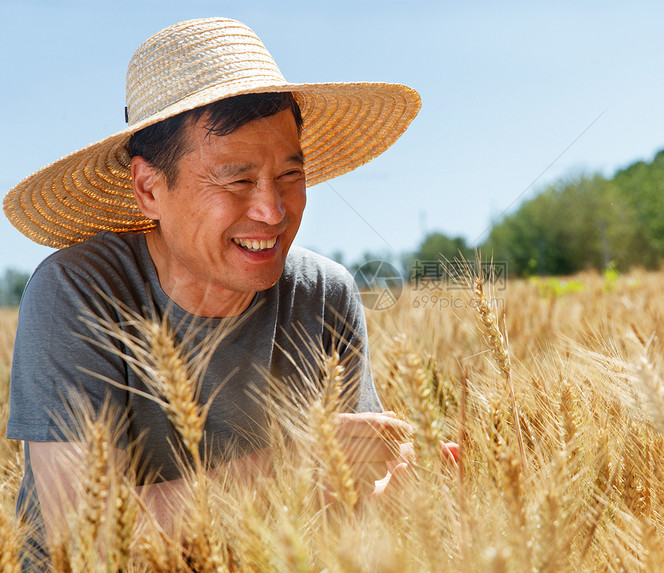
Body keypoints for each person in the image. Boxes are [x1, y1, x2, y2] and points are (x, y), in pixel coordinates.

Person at [3, 16, 455, 567]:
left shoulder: (325, 296)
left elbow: (337, 510)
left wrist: (399, 494)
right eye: (237, 180)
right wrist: (287, 468)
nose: (273, 210)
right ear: (149, 188)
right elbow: (87, 536)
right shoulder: (78, 291)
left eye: (291, 175)